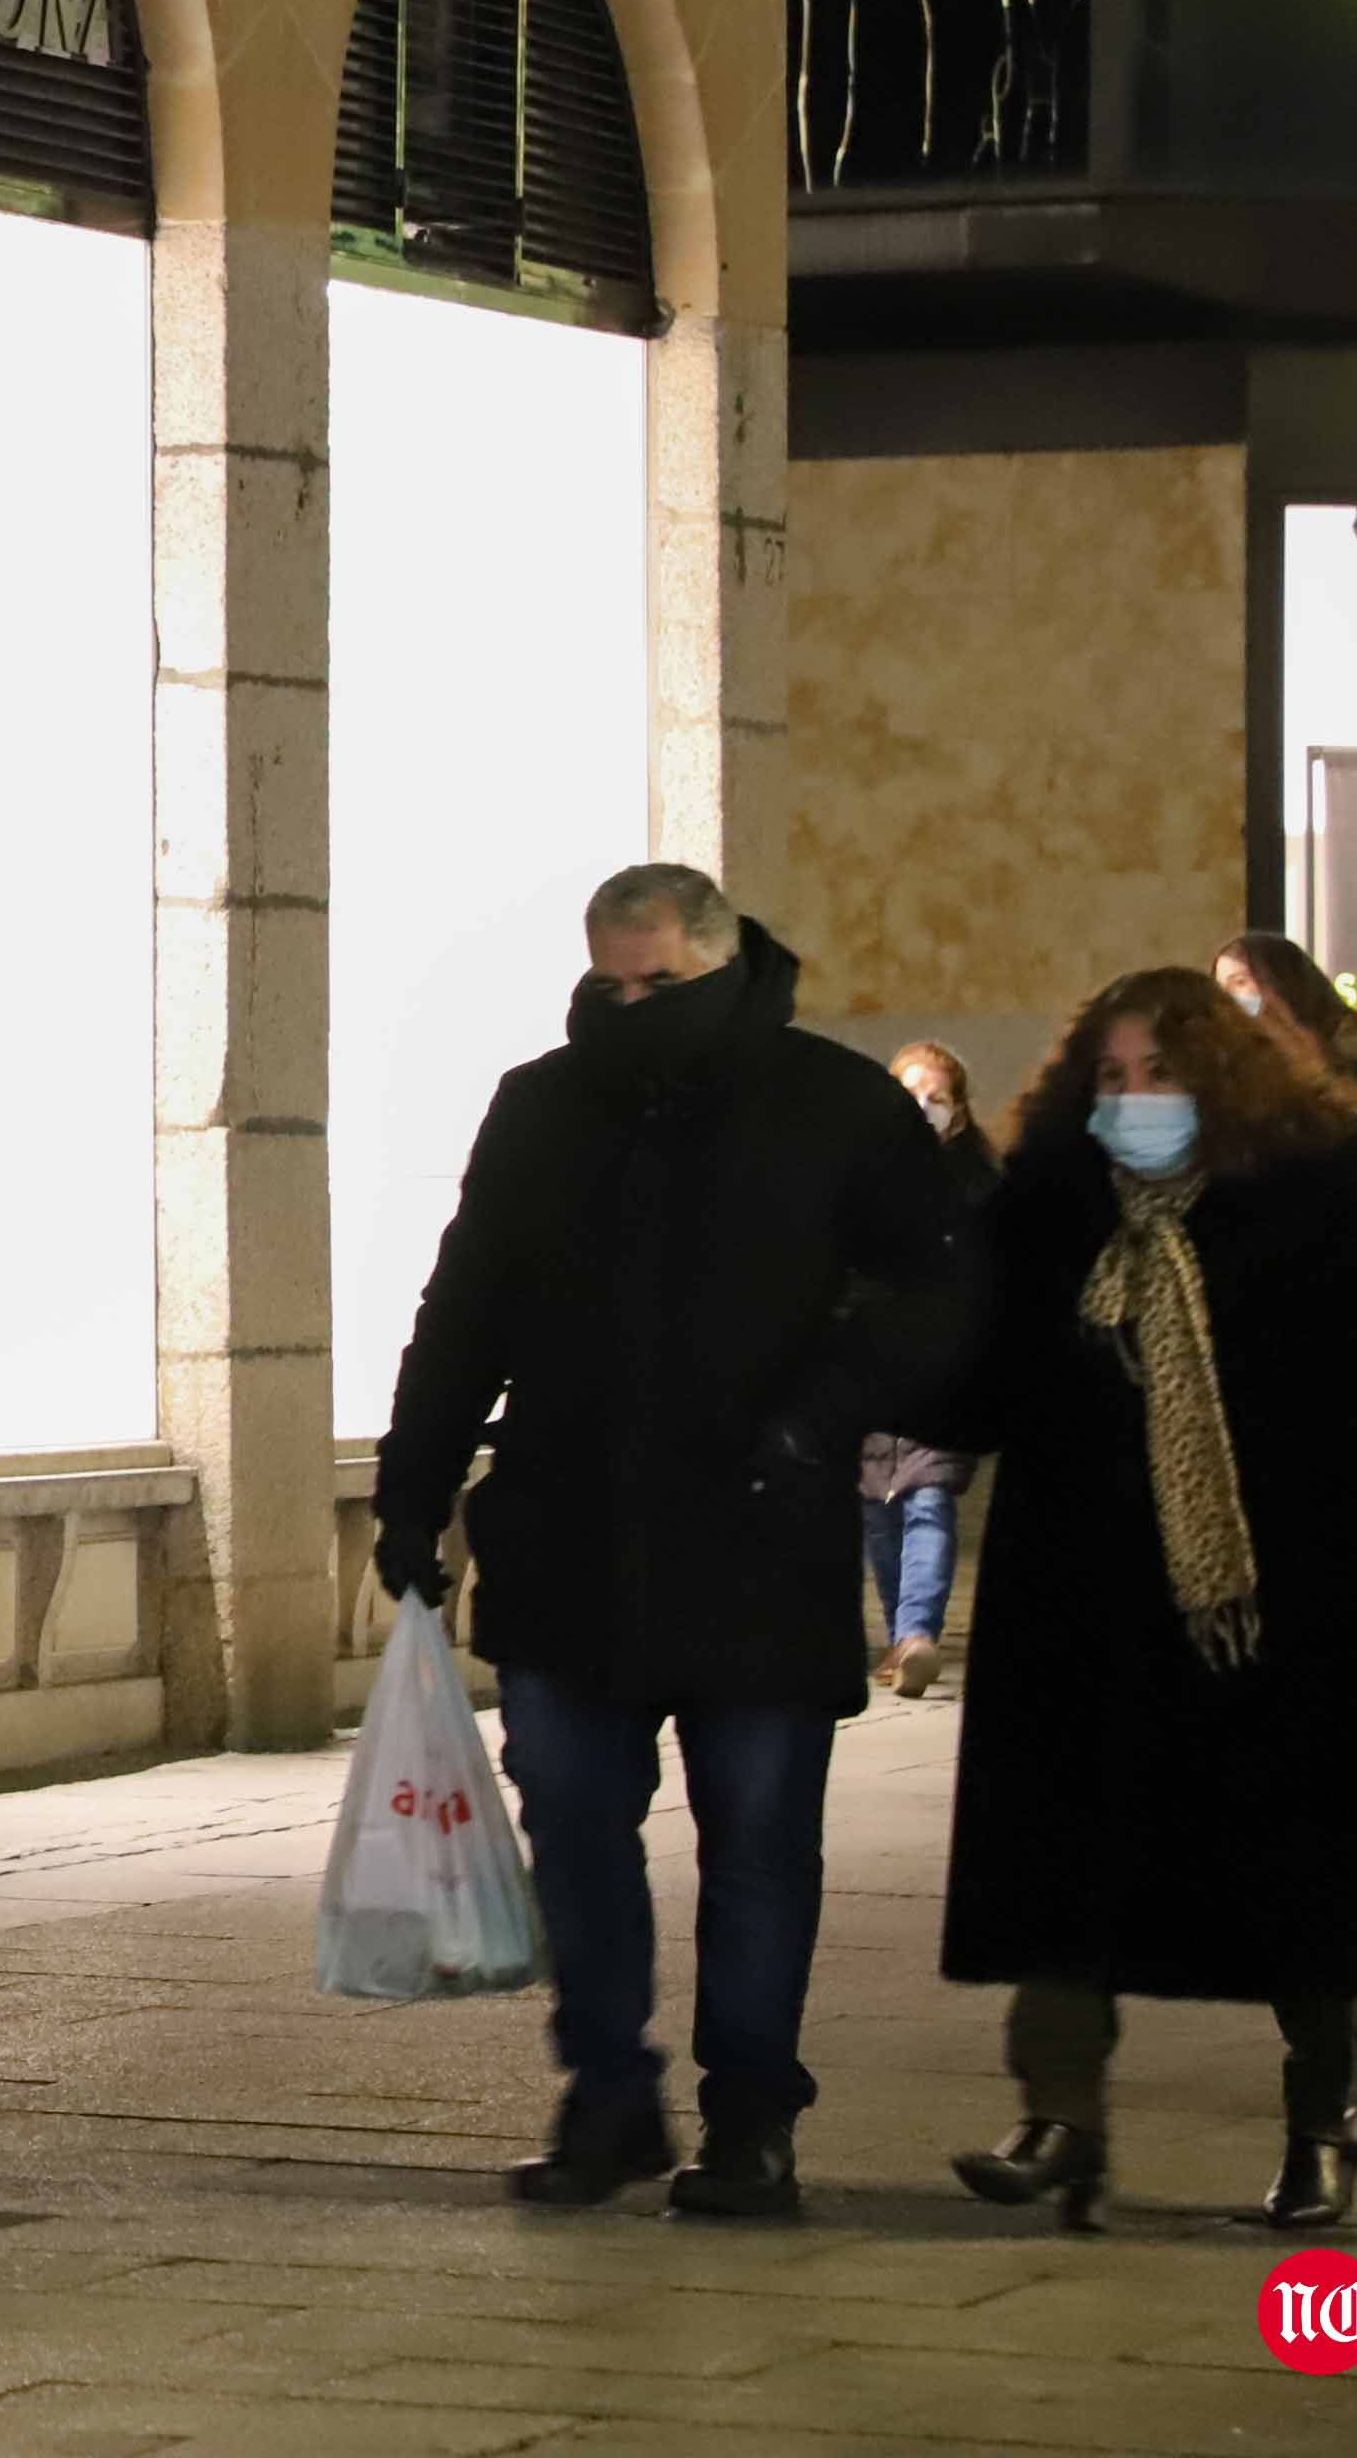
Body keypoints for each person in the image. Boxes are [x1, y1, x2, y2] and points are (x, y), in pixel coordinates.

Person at [370, 865, 970, 2220]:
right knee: (576, 1826)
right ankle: (610, 2098)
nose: (629, 1005)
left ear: (720, 962)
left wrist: (819, 1421)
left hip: (759, 1537)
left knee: (760, 1844)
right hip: (570, 1537)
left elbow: (935, 1293)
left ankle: (752, 2118)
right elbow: (467, 1304)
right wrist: (412, 1492)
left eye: (658, 984)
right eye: (610, 982)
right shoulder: (544, 1105)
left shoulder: (833, 1104)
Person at [929, 968, 1357, 2232]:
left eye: (1158, 1074)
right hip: (1083, 1604)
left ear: (1216, 1080)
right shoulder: (1049, 1212)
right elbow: (976, 1383)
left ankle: (1315, 2129)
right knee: (1063, 1875)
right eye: (1111, 1077)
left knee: (1303, 1884)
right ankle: (1058, 2116)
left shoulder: (1314, 1203)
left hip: (1282, 1611)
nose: (1133, 1100)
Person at [860, 1043, 1002, 1700]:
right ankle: (903, 1635)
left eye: (937, 1097)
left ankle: (916, 1631)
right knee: (879, 1512)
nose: (923, 1109)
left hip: (943, 1373)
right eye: (911, 1094)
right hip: (871, 1376)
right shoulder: (855, 1182)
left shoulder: (979, 1191)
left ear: (962, 1113)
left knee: (928, 1500)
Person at [1216, 930, 1357, 1185]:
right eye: (1221, 987)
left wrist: (1289, 1040)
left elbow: (1355, 1118)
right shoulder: (1243, 1051)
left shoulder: (1353, 1038)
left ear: (1279, 980)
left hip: (1353, 1195)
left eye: (1240, 982)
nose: (1228, 997)